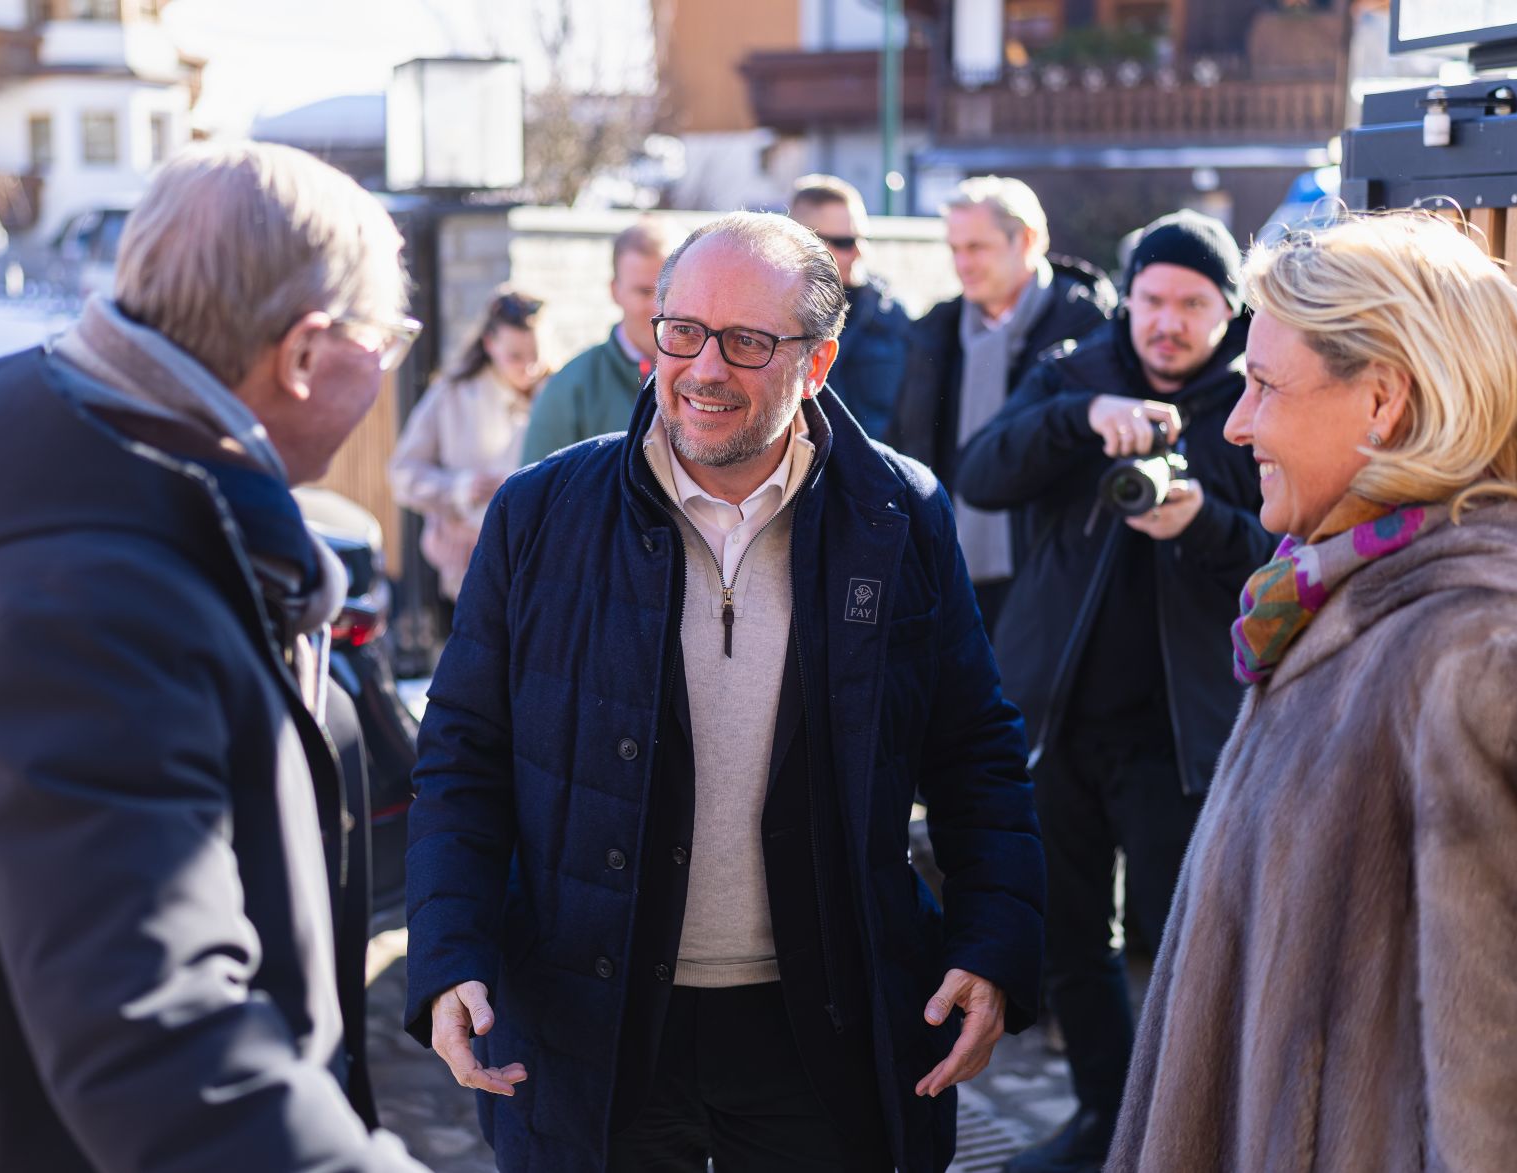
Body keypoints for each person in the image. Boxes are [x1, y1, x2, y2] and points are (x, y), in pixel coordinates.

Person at [0, 143, 429, 1172]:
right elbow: (156, 1028)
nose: (388, 368)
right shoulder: (90, 600)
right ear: (304, 352)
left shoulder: (103, 511)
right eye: (388, 339)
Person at [404, 211, 1046, 1173]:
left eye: (748, 341)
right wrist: (448, 950)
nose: (705, 368)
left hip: (820, 1025)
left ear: (819, 361)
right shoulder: (540, 514)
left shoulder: (897, 514)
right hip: (593, 1024)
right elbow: (463, 754)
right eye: (683, 331)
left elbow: (976, 751)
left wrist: (995, 942)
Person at [1110, 213, 1517, 1173]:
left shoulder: (1484, 654)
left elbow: (1510, 1110)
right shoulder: (1338, 599)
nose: (1235, 423)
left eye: (1263, 385)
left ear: (1384, 402)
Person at [957, 209, 1273, 1173]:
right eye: (1150, 299)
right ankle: (1103, 1120)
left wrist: (1205, 525)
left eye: (1190, 304)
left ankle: (1190, 1136)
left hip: (1186, 736)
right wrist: (1078, 421)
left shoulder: (1259, 397)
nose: (1166, 321)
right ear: (1126, 298)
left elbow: (1289, 554)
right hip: (1055, 719)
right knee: (1069, 940)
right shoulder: (1073, 374)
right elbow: (980, 474)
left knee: (1188, 949)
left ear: (1230, 311)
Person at [890, 176, 1115, 622]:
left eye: (977, 248)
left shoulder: (1088, 331)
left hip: (1050, 575)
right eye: (954, 249)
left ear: (1026, 241)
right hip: (946, 567)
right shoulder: (934, 332)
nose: (962, 264)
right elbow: (905, 443)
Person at [390, 286, 546, 603]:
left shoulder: (559, 392)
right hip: (470, 577)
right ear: (490, 344)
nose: (527, 368)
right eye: (515, 357)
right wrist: (460, 489)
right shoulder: (452, 395)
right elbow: (403, 473)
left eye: (535, 355)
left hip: (544, 576)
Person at [521, 217, 670, 462]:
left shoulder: (711, 375)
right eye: (644, 291)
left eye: (667, 290)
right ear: (614, 291)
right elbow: (534, 494)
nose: (658, 306)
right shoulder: (570, 388)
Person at [787, 173, 910, 438]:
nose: (860, 252)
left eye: (863, 238)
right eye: (845, 242)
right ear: (803, 243)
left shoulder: (891, 315)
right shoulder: (773, 319)